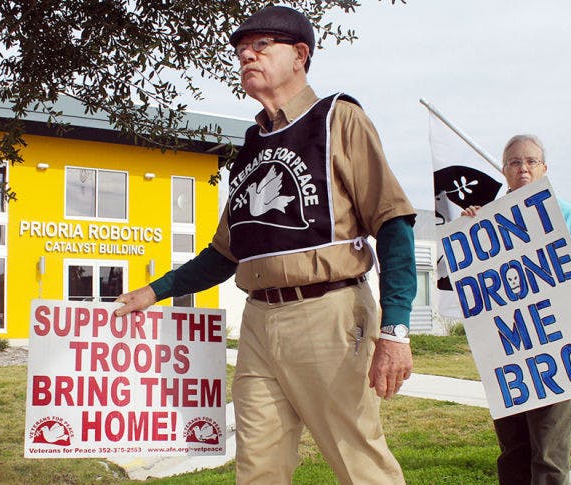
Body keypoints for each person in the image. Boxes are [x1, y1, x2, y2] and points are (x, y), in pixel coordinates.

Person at [114, 5, 417, 484]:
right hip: (258, 321)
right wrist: (153, 292)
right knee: (257, 465)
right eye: (240, 50)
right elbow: (224, 253)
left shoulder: (338, 118)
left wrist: (395, 331)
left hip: (329, 313)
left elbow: (393, 222)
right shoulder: (251, 146)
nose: (246, 56)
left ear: (300, 54)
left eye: (260, 46)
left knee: (359, 462)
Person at [462, 134, 571, 485]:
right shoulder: (486, 220)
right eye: (514, 162)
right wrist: (467, 230)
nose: (522, 168)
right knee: (513, 450)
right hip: (507, 354)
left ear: (544, 168)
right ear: (504, 169)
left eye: (530, 161)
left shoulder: (564, 213)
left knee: (549, 454)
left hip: (556, 349)